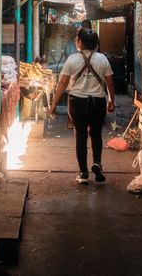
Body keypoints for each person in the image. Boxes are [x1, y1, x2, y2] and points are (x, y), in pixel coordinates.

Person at [49, 28, 115, 184]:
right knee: (96, 133)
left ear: (80, 42)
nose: (75, 41)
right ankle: (97, 163)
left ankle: (83, 173)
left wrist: (53, 105)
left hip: (77, 102)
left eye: (76, 39)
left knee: (80, 135)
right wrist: (111, 100)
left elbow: (63, 83)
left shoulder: (72, 59)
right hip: (98, 101)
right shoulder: (102, 59)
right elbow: (110, 82)